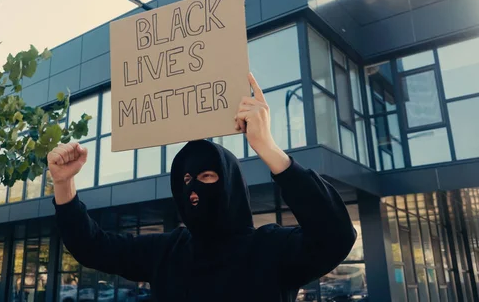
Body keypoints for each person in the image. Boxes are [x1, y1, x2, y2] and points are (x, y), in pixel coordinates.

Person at [48, 73, 357, 301]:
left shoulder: (271, 250)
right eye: (186, 180)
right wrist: (64, 184)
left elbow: (336, 236)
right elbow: (92, 246)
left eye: (207, 177)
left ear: (230, 184)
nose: (193, 190)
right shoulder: (166, 252)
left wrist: (267, 147)